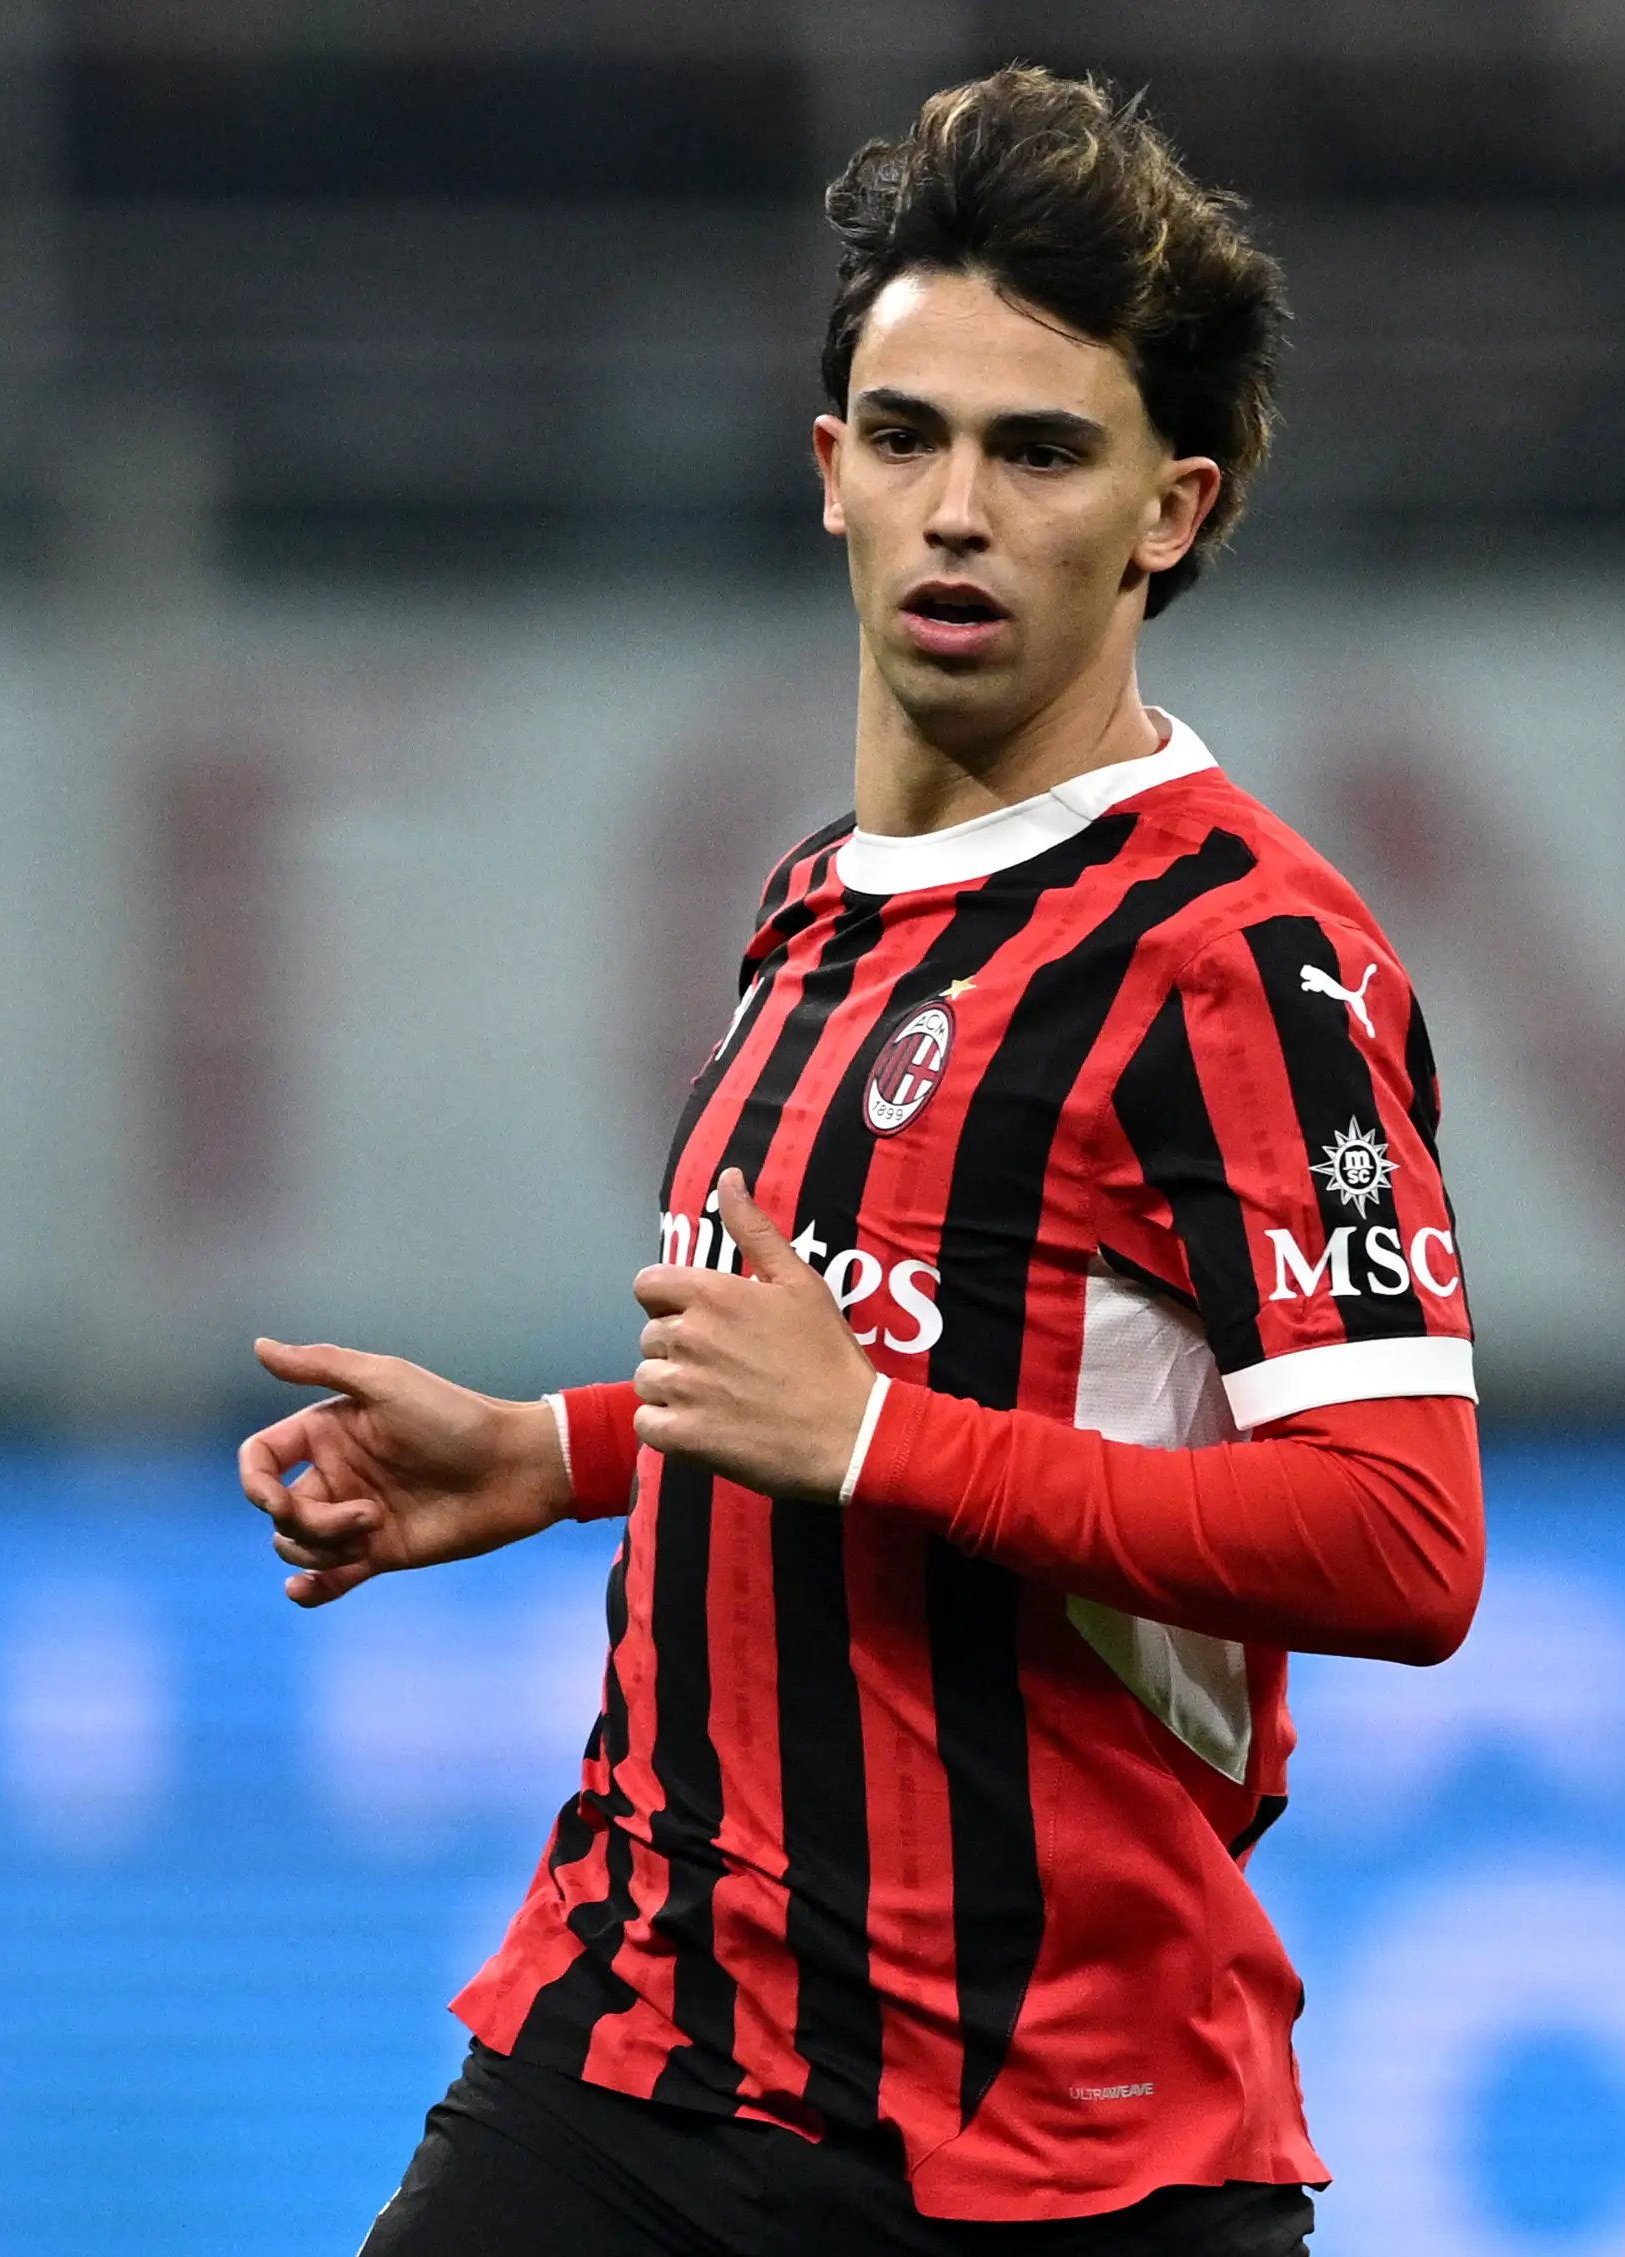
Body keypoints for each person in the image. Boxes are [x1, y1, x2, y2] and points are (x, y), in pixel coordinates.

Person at [240, 66, 1482, 2257]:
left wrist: (881, 1442)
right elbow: (909, 1342)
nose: (959, 508)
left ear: (1171, 514)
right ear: (829, 474)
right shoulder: (820, 904)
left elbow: (1405, 1545)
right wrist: (557, 1447)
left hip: (1047, 2146)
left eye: (1041, 450)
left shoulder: (1246, 966)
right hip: (636, 2041)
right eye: (907, 438)